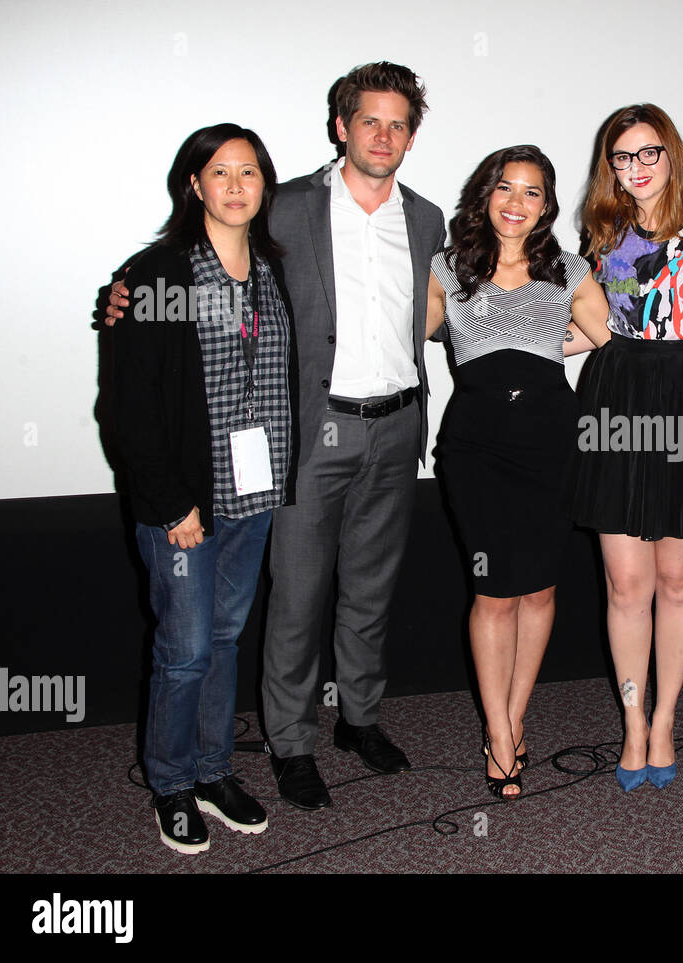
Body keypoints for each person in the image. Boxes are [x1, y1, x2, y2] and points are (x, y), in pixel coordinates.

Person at [108, 63, 445, 809]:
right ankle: (291, 740)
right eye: (370, 121)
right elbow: (190, 274)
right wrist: (122, 295)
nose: (383, 135)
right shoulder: (285, 209)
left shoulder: (425, 218)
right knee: (295, 596)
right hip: (311, 431)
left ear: (411, 136)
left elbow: (439, 306)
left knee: (371, 589)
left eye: (398, 124)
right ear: (341, 127)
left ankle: (359, 717)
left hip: (395, 427)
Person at [113, 124, 293, 853]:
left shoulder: (274, 270)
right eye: (220, 172)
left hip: (254, 496)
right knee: (184, 650)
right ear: (193, 184)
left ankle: (215, 771)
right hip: (185, 504)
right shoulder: (159, 272)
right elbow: (128, 405)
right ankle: (170, 783)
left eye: (249, 172)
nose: (236, 185)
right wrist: (170, 503)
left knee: (224, 640)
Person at [424, 145, 613, 798]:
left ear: (546, 205)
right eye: (506, 187)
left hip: (551, 443)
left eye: (532, 192)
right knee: (493, 591)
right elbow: (398, 334)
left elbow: (608, 337)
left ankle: (513, 714)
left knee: (537, 588)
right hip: (475, 448)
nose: (517, 201)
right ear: (485, 194)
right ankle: (499, 734)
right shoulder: (448, 268)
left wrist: (547, 343)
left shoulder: (567, 269)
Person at [570, 104, 683, 791]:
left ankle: (667, 717)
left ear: (671, 154)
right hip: (619, 397)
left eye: (649, 153)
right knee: (625, 583)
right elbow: (594, 328)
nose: (636, 168)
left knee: (678, 580)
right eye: (622, 156)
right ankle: (633, 720)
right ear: (609, 166)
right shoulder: (601, 232)